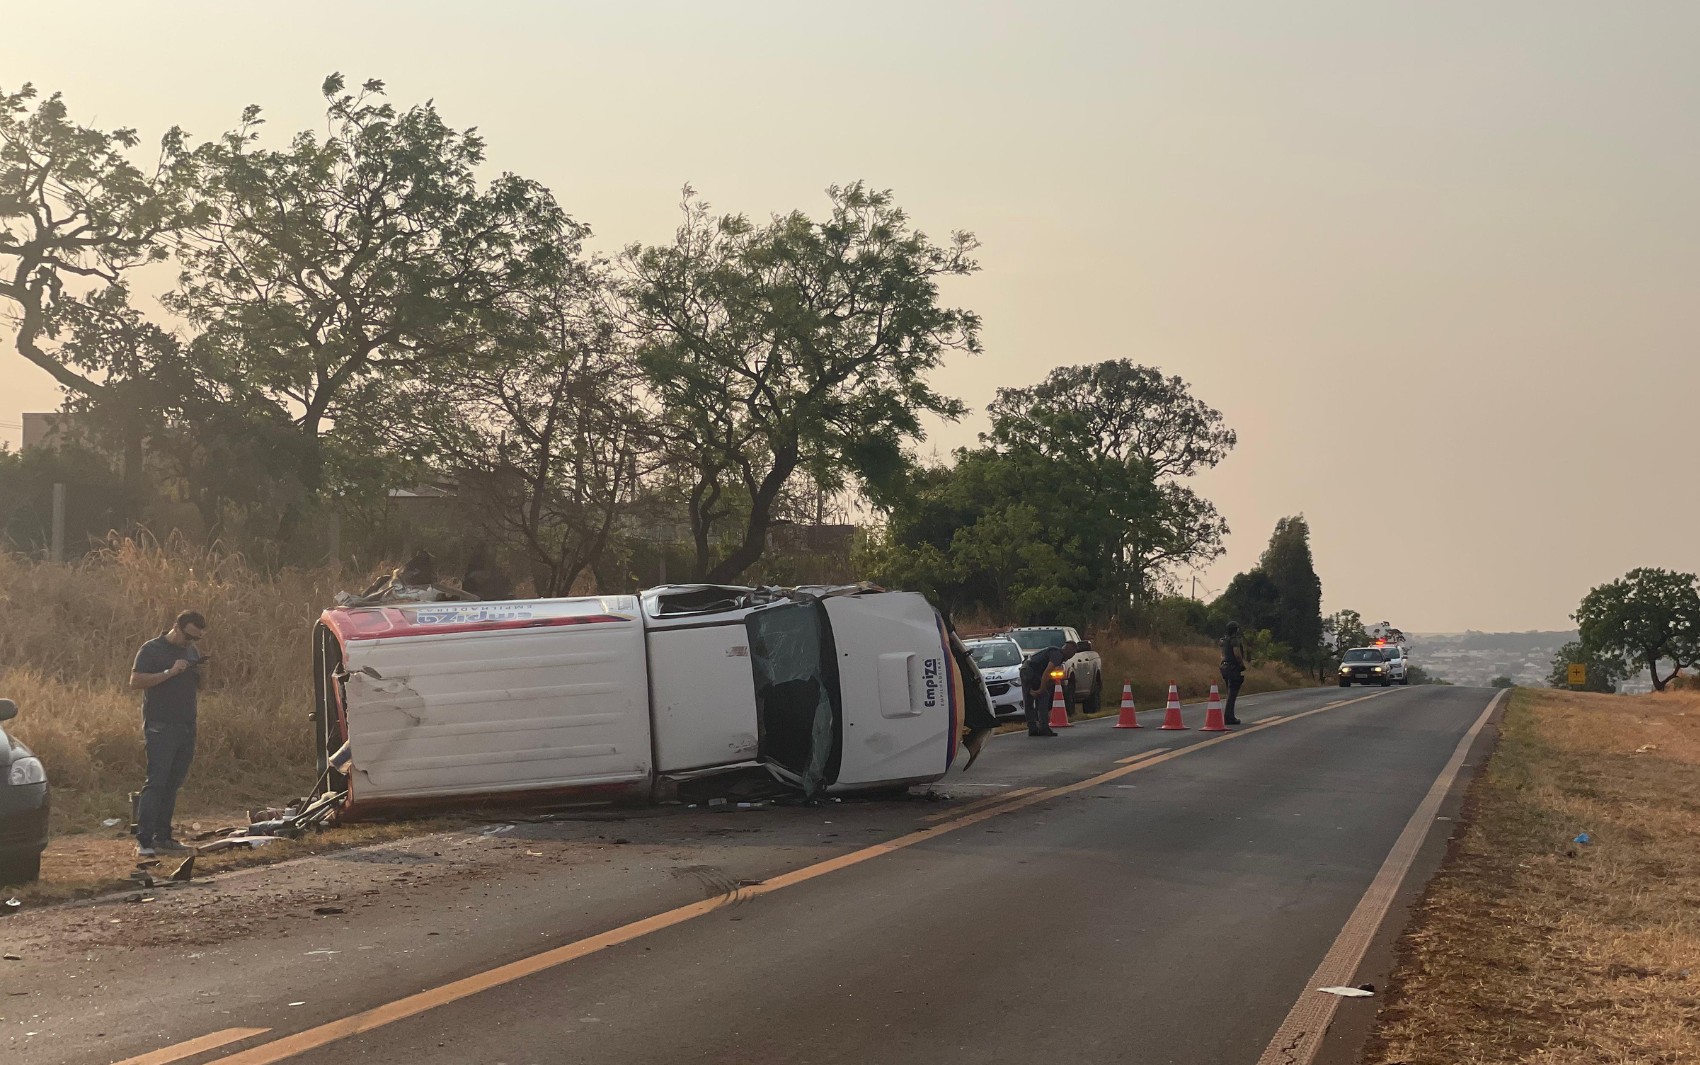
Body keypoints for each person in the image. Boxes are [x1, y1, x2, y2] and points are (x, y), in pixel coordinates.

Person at [128, 610, 210, 857]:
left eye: (196, 638)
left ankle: (163, 836)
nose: (191, 642)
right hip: (160, 725)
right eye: (188, 636)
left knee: (173, 784)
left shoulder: (191, 651)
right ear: (176, 626)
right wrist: (169, 672)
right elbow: (135, 681)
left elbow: (201, 687)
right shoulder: (152, 649)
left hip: (186, 725)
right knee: (157, 782)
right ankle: (144, 840)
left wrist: (203, 672)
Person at [1019, 644, 1069, 737]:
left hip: (1026, 669)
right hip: (1030, 671)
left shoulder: (1053, 652)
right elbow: (1047, 671)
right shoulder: (1057, 654)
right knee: (1043, 696)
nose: (1072, 656)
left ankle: (1032, 728)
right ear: (1069, 651)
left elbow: (1046, 674)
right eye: (1073, 653)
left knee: (1029, 700)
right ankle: (1043, 727)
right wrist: (1041, 689)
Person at [1219, 622, 1247, 726]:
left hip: (1224, 666)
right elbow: (1237, 653)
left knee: (1229, 692)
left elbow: (1222, 655)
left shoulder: (1222, 640)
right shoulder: (1234, 640)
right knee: (1232, 694)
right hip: (1233, 667)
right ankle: (1229, 717)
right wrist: (1241, 664)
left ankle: (1229, 716)